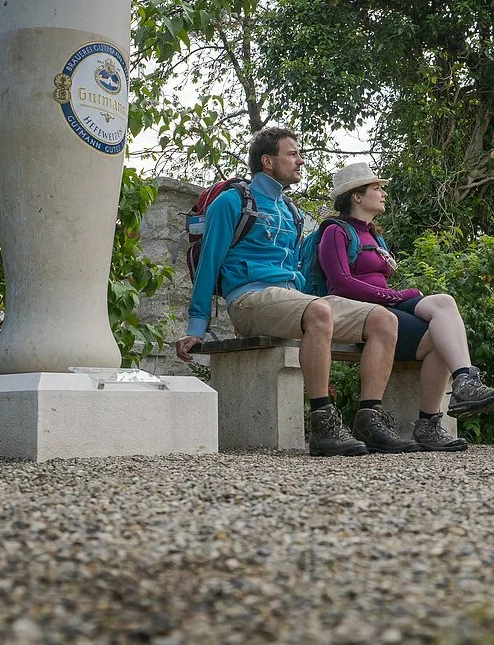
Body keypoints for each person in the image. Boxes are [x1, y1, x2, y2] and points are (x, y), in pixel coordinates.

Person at [174, 128, 418, 457]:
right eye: (292, 154)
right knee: (319, 311)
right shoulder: (232, 202)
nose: (300, 160)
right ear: (267, 161)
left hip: (294, 300)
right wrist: (196, 327)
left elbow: (297, 271)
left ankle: (369, 420)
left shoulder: (290, 210)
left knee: (384, 320)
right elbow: (209, 263)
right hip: (248, 299)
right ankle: (323, 424)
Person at [318, 162, 494, 452]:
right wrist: (395, 297)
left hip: (385, 307)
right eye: (376, 188)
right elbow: (341, 282)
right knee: (438, 333)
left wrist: (394, 297)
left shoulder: (375, 236)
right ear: (356, 196)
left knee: (444, 307)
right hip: (358, 315)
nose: (384, 193)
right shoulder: (335, 232)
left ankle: (459, 387)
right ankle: (435, 416)